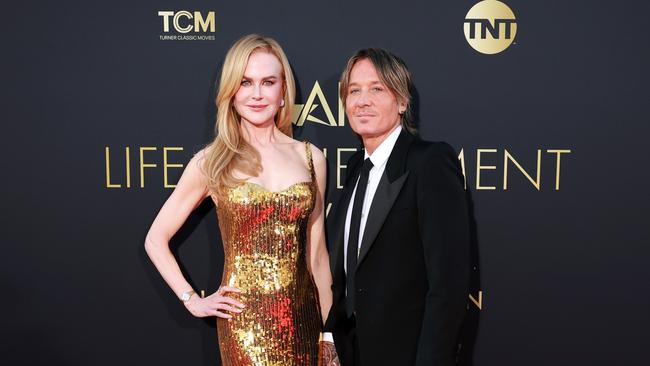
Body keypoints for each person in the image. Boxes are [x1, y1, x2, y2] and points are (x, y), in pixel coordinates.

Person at [144, 34, 335, 366]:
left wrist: (329, 336)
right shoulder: (212, 161)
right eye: (246, 82)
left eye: (268, 82)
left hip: (304, 321)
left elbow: (317, 256)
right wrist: (192, 299)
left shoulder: (311, 158)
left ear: (283, 92)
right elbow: (155, 239)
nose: (257, 94)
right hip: (244, 325)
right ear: (231, 93)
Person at [324, 48, 471, 365]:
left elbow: (448, 283)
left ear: (402, 102)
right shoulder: (354, 169)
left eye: (377, 89)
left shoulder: (428, 162)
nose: (362, 100)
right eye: (354, 91)